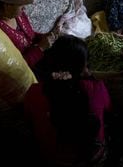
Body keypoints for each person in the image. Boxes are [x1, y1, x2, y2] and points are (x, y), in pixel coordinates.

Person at [24, 35, 111, 166]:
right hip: (92, 156)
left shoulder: (34, 92)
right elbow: (108, 109)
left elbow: (29, 119)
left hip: (52, 158)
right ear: (83, 68)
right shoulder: (96, 88)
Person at [0, 0, 56, 71]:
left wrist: (44, 37)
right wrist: (40, 48)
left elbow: (29, 36)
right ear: (7, 5)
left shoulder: (17, 14)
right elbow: (13, 67)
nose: (24, 8)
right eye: (21, 5)